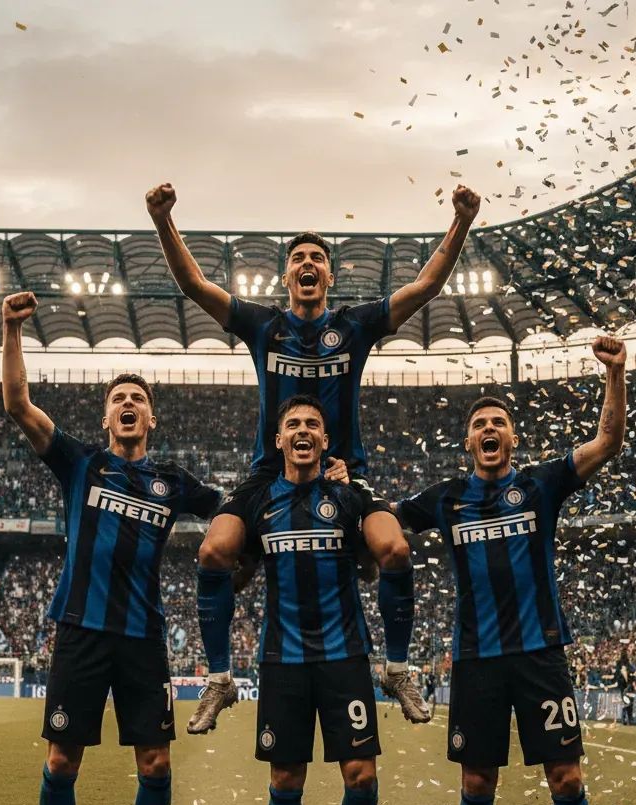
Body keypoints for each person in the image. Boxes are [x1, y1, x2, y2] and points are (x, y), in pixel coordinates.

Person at [146, 181, 482, 731]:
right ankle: (219, 677)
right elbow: (193, 284)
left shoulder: (353, 326)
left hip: (344, 474)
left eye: (316, 259)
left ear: (329, 276)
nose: (307, 264)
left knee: (394, 549)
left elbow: (423, 286)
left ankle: (397, 668)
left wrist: (461, 222)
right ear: (287, 277)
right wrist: (163, 220)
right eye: (298, 258)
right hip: (267, 475)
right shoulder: (264, 326)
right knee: (213, 553)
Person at [1, 291, 221, 805]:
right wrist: (12, 329)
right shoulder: (81, 463)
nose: (128, 405)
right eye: (118, 399)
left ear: (150, 418)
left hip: (142, 639)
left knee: (154, 764)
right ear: (106, 419)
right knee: (61, 761)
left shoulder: (171, 482)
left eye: (138, 399)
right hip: (80, 631)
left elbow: (236, 515)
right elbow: (18, 404)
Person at [397, 335, 627, 805]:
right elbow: (384, 524)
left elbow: (607, 442)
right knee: (477, 783)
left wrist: (615, 374)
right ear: (469, 442)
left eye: (499, 421)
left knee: (567, 778)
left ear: (512, 437)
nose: (490, 429)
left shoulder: (542, 484)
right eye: (480, 424)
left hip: (540, 654)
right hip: (475, 660)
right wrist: (344, 486)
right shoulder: (446, 499)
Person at [197, 395, 382, 805]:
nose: (303, 431)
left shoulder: (347, 496)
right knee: (285, 778)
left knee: (362, 778)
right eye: (293, 425)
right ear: (277, 441)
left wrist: (355, 501)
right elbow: (238, 571)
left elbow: (372, 569)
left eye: (314, 425)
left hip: (345, 656)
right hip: (283, 660)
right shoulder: (259, 501)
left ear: (326, 442)